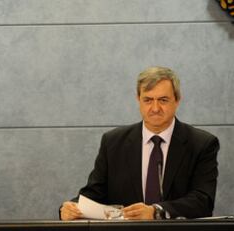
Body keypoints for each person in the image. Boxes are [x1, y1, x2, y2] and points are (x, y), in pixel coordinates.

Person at [60, 66, 219, 220]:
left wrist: (156, 212)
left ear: (177, 100)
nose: (155, 108)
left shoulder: (201, 144)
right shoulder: (113, 142)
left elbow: (202, 201)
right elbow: (95, 193)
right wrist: (70, 208)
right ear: (138, 100)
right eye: (148, 100)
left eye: (163, 100)